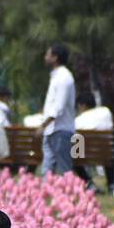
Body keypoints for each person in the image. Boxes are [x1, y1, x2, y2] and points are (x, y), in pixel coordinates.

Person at [34, 43, 76, 180]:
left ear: (55, 58)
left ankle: (68, 197)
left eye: (48, 54)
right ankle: (46, 197)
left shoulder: (64, 77)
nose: (45, 57)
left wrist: (43, 125)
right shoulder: (56, 76)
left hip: (61, 131)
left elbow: (58, 108)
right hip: (51, 131)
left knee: (64, 170)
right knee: (47, 170)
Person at [75, 91, 114, 195]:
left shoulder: (78, 121)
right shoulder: (105, 112)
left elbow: (76, 144)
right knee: (108, 153)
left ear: (82, 105)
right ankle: (111, 185)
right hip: (106, 154)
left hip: (84, 157)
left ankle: (89, 183)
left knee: (74, 157)